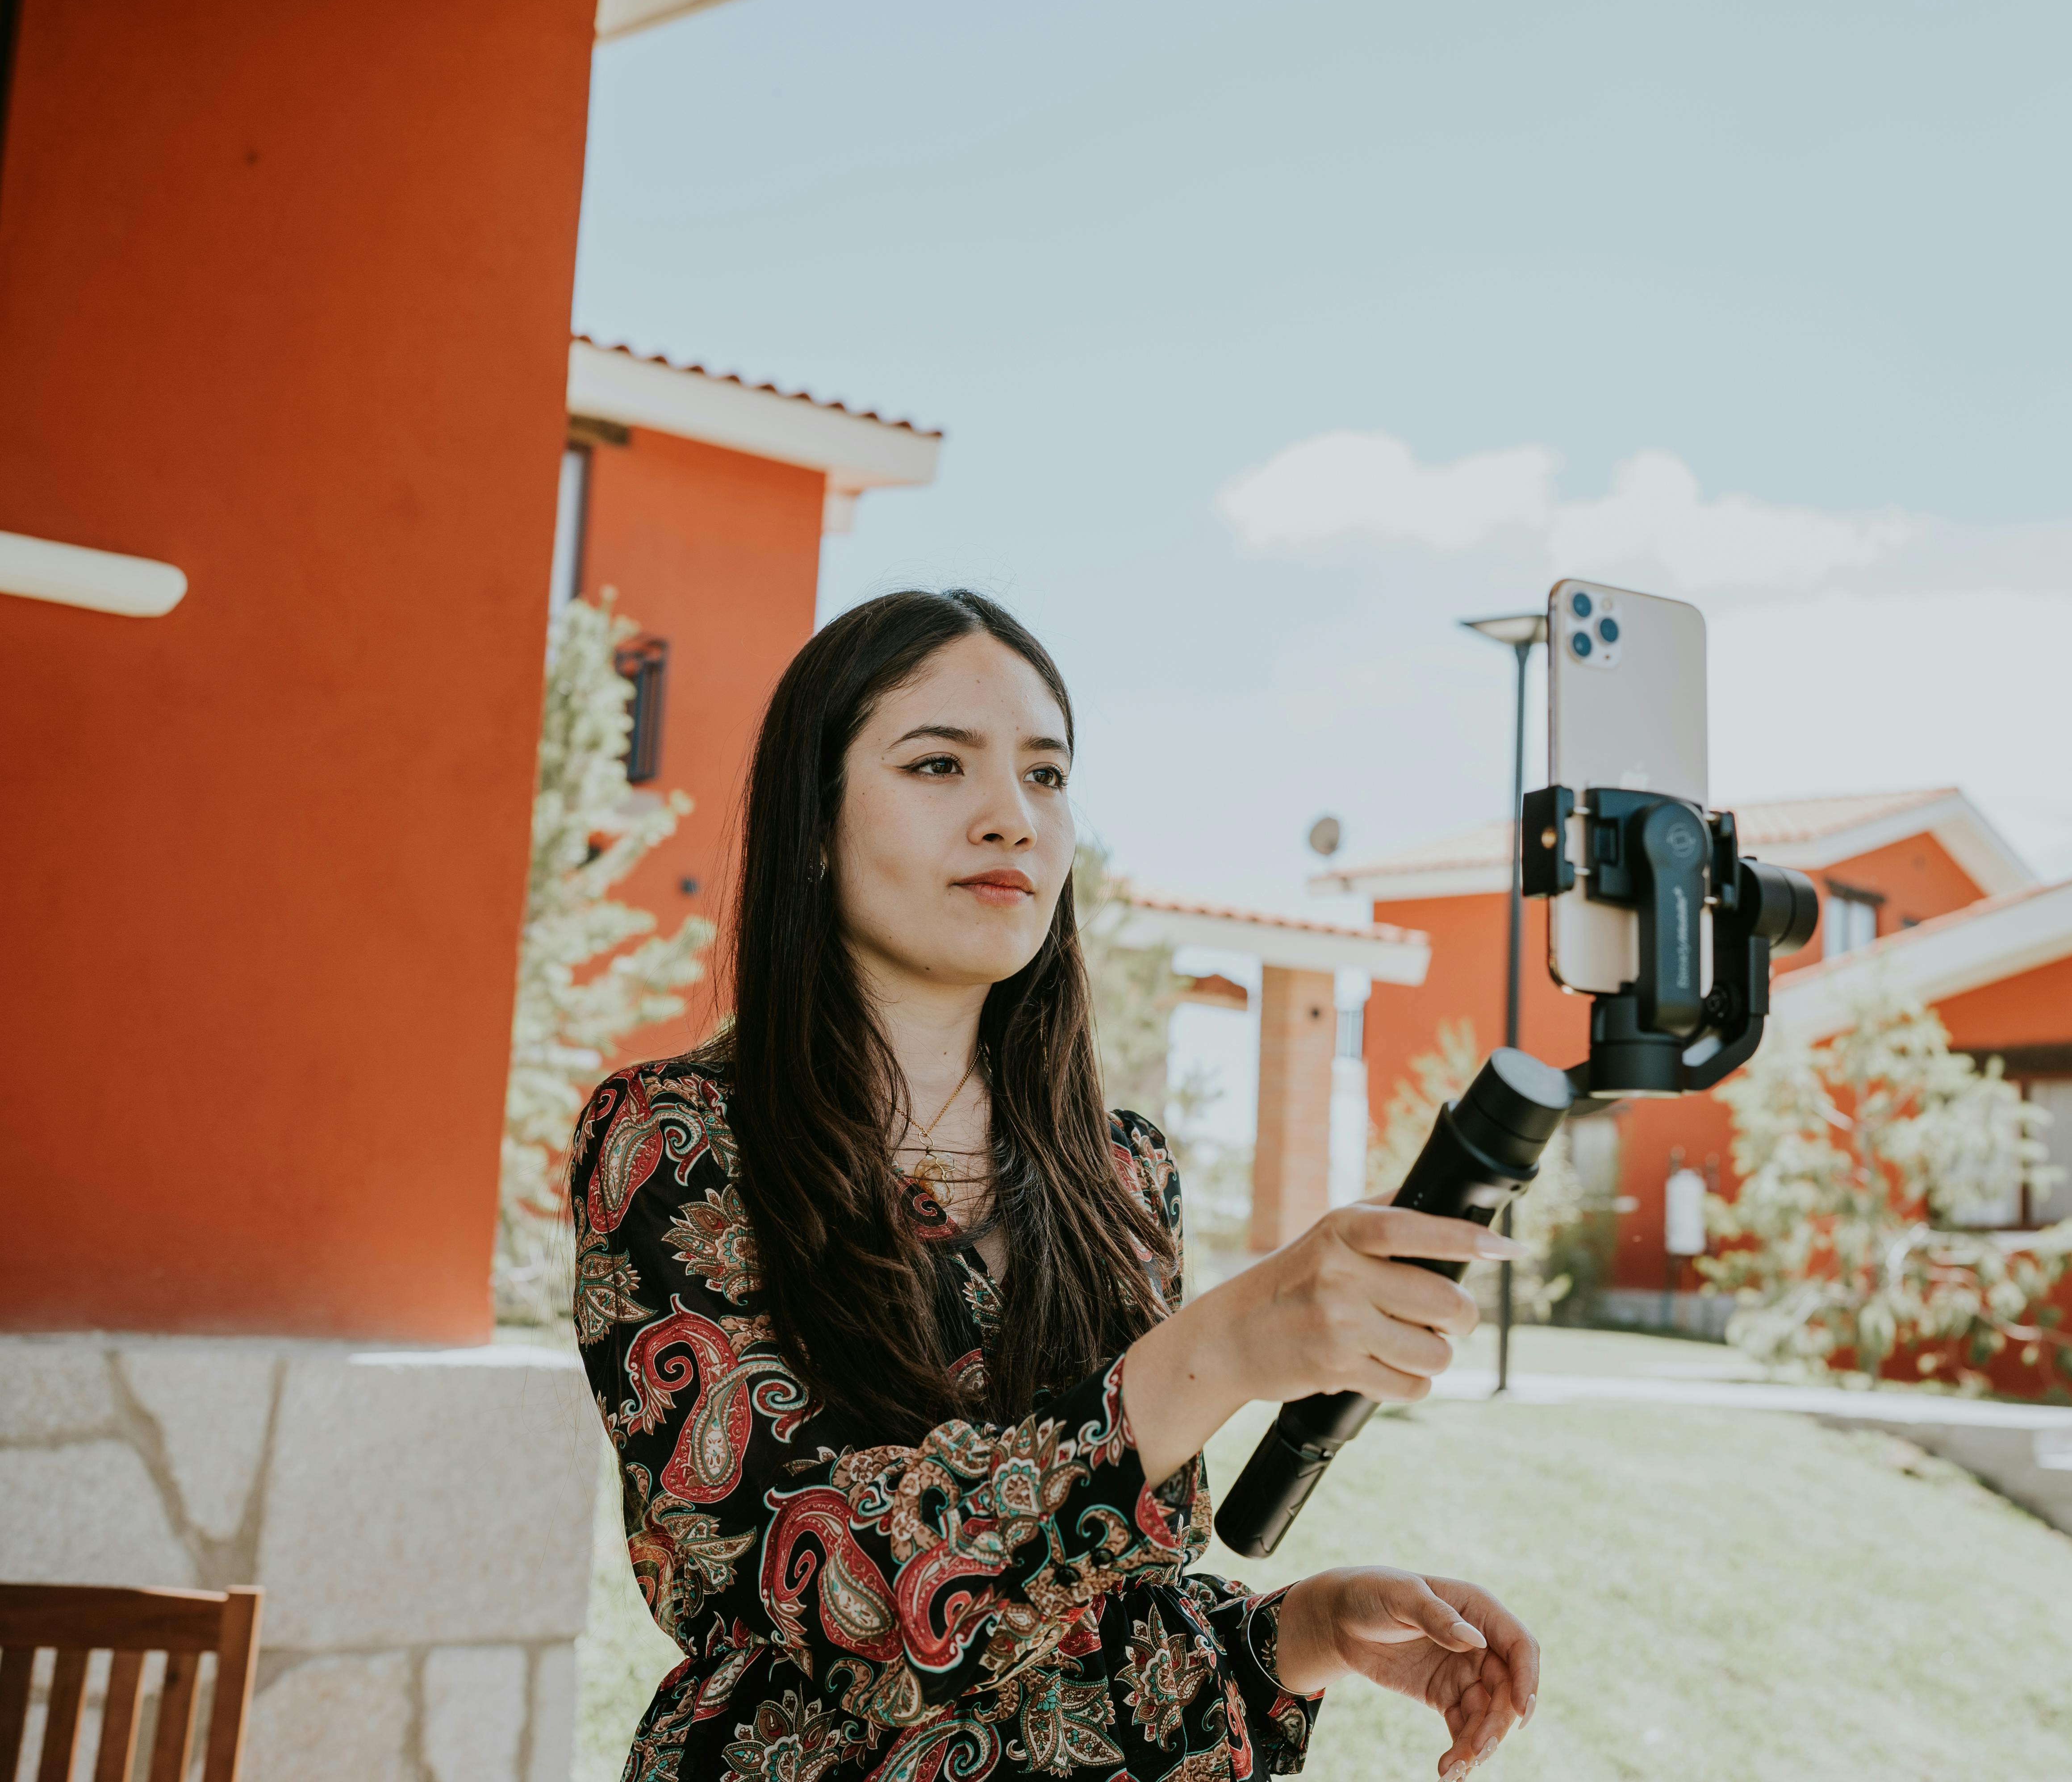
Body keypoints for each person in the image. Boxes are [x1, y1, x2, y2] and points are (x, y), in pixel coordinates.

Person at [570, 589, 1540, 1782]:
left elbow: (1090, 1608)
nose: (1011, 819)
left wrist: (1303, 1631)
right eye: (939, 765)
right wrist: (1216, 1353)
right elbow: (836, 1601)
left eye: (1046, 775)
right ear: (813, 825)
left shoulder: (1120, 1169)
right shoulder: (676, 1139)